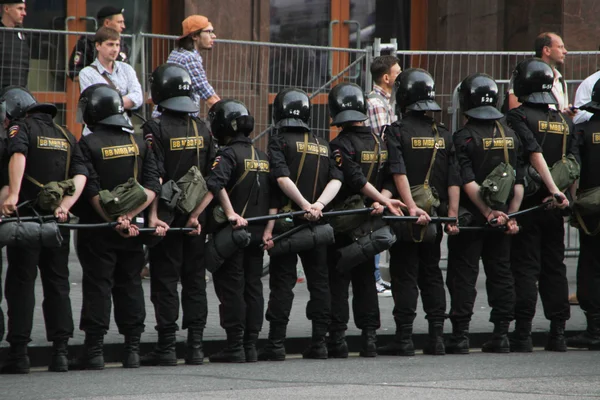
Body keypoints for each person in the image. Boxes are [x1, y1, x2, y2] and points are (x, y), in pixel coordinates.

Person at [0, 86, 88, 373]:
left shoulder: (20, 127)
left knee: (21, 285)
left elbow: (18, 155)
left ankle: (19, 353)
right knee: (58, 285)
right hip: (56, 223)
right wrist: (66, 205)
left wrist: (13, 194)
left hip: (25, 220)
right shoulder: (65, 134)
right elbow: (81, 174)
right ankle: (60, 353)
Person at [75, 84, 161, 370]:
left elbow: (90, 189)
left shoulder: (86, 144)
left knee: (98, 285)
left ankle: (95, 351)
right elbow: (152, 187)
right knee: (131, 283)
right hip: (133, 230)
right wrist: (130, 216)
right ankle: (132, 350)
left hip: (97, 230)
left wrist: (112, 219)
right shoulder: (139, 142)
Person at [139, 63, 218, 366]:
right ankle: (195, 347)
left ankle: (167, 346)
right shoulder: (202, 128)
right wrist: (197, 215)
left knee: (166, 281)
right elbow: (213, 179)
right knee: (195, 281)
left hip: (167, 221)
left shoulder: (153, 128)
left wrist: (154, 217)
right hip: (197, 222)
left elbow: (154, 177)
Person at [378, 68, 460, 356]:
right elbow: (453, 178)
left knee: (404, 275)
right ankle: (437, 338)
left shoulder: (397, 131)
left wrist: (411, 208)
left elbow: (397, 171)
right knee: (432, 274)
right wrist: (452, 214)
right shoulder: (444, 134)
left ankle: (404, 339)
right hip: (436, 218)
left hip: (407, 217)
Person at [186, 99, 275, 363]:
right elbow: (274, 200)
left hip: (233, 235)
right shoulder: (262, 156)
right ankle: (250, 345)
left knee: (232, 288)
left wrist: (222, 213)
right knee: (253, 287)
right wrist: (269, 230)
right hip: (258, 234)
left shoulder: (226, 155)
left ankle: (235, 346)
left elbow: (215, 183)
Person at [258, 88, 342, 361]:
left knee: (282, 283)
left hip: (287, 224)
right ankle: (319, 343)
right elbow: (337, 180)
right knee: (320, 282)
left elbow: (281, 179)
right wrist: (319, 206)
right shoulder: (323, 143)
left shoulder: (279, 141)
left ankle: (276, 344)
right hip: (317, 225)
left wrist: (304, 205)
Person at [326, 82, 404, 359]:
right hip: (371, 223)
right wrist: (380, 202)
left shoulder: (339, 145)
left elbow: (355, 179)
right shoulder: (379, 140)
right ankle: (369, 339)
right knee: (365, 281)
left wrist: (377, 202)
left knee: (338, 279)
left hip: (343, 224)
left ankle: (337, 340)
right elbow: (388, 179)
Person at [446, 73, 522, 354]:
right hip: (501, 220)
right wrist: (509, 215)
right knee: (501, 273)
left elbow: (465, 180)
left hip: (471, 219)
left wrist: (486, 212)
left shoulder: (463, 137)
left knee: (463, 276)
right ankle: (501, 335)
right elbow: (517, 180)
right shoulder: (510, 136)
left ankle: (460, 337)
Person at [507, 58, 574, 353]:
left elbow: (530, 153)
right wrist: (562, 196)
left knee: (525, 267)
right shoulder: (563, 122)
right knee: (554, 267)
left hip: (528, 205)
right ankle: (558, 333)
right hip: (555, 207)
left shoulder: (517, 117)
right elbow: (572, 165)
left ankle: (522, 333)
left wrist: (549, 189)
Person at [567, 77, 600, 350]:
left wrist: (572, 200)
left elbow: (573, 172)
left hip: (592, 210)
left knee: (590, 265)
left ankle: (595, 328)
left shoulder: (582, 132)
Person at [365, 55, 401, 296]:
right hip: (376, 171)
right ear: (386, 77)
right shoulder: (377, 103)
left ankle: (374, 278)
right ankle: (373, 279)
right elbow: (384, 139)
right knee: (374, 224)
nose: (401, 77)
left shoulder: (383, 100)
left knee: (375, 222)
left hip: (376, 170)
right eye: (397, 73)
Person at [79, 27, 142, 136]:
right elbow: (93, 106)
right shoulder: (86, 73)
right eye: (110, 44)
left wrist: (109, 102)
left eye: (117, 45)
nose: (115, 49)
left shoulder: (127, 69)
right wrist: (124, 102)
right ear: (98, 46)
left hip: (124, 131)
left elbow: (138, 97)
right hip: (97, 133)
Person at [153, 15, 220, 118]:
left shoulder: (178, 52)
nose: (213, 36)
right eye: (208, 32)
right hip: (178, 121)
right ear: (194, 36)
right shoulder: (189, 58)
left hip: (165, 118)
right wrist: (226, 113)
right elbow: (209, 97)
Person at [507, 32, 575, 118]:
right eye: (560, 47)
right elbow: (515, 111)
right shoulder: (524, 74)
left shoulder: (561, 81)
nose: (565, 51)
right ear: (546, 50)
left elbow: (560, 115)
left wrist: (565, 115)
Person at [68, 6, 130, 80]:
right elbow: (75, 73)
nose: (123, 26)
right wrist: (101, 78)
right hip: (95, 90)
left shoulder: (123, 45)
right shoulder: (87, 42)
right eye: (119, 22)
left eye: (116, 45)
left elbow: (128, 74)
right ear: (107, 23)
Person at [0, 0, 29, 88]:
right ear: (6, 9)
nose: (24, 13)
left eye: (24, 9)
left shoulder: (23, 35)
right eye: (20, 9)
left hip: (18, 91)